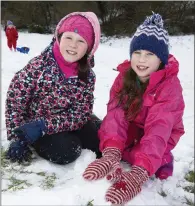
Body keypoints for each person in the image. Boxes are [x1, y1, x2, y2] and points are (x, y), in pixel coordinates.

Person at [83, 12, 185, 204]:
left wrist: (138, 173)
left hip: (162, 133)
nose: (141, 60)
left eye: (149, 54)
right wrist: (111, 152)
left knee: (143, 157)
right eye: (137, 53)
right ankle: (122, 155)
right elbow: (115, 115)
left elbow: (159, 128)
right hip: (134, 126)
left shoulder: (169, 86)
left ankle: (161, 160)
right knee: (115, 145)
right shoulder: (124, 77)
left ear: (161, 59)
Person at [5, 12, 102, 165]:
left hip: (66, 121)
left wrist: (47, 125)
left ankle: (89, 128)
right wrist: (17, 137)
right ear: (59, 37)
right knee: (67, 151)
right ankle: (40, 141)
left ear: (89, 47)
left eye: (81, 41)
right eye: (68, 37)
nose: (73, 45)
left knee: (101, 142)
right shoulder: (38, 67)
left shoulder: (88, 75)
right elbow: (15, 102)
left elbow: (81, 113)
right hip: (36, 125)